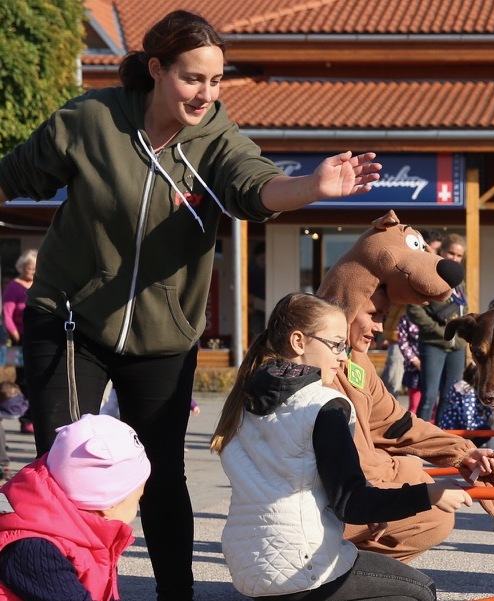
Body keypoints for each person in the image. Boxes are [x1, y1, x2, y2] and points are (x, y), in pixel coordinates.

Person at [0, 11, 382, 600]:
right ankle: (56, 586)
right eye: (192, 78)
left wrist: (311, 187)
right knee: (67, 464)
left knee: (159, 473)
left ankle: (175, 594)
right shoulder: (91, 121)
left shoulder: (216, 139)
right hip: (70, 318)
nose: (206, 93)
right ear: (156, 70)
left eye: (216, 80)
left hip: (163, 334)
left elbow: (256, 187)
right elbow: (14, 176)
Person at [212, 292, 472, 600]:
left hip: (249, 569)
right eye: (335, 344)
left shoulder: (244, 401)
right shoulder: (324, 405)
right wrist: (431, 493)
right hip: (302, 569)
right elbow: (352, 503)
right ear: (298, 341)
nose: (343, 357)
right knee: (421, 591)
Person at [0, 413, 150, 601]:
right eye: (137, 498)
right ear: (107, 506)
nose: (137, 506)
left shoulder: (73, 531)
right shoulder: (37, 552)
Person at [408, 233, 468, 423]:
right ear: (441, 251)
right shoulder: (429, 273)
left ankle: (441, 438)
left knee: (450, 397)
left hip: (456, 347)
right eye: (451, 253)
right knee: (429, 396)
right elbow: (413, 309)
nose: (455, 259)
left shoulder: (459, 279)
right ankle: (419, 439)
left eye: (459, 256)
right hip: (433, 343)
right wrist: (439, 330)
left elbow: (463, 308)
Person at [3, 249, 36, 434]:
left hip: (35, 337)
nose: (32, 271)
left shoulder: (38, 284)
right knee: (21, 379)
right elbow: (6, 315)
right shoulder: (14, 286)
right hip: (18, 339)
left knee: (35, 379)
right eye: (29, 267)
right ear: (21, 267)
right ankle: (24, 420)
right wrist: (16, 336)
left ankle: (32, 417)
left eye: (34, 268)